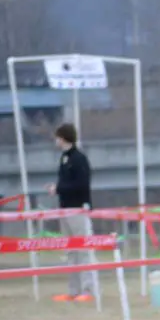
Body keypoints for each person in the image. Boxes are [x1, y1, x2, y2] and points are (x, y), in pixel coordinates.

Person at [45, 122, 96, 302]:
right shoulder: (63, 158)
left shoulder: (79, 158)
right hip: (64, 209)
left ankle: (88, 290)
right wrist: (58, 189)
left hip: (78, 209)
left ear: (64, 137)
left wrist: (59, 188)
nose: (56, 140)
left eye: (58, 136)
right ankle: (73, 290)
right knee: (71, 251)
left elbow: (82, 184)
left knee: (83, 250)